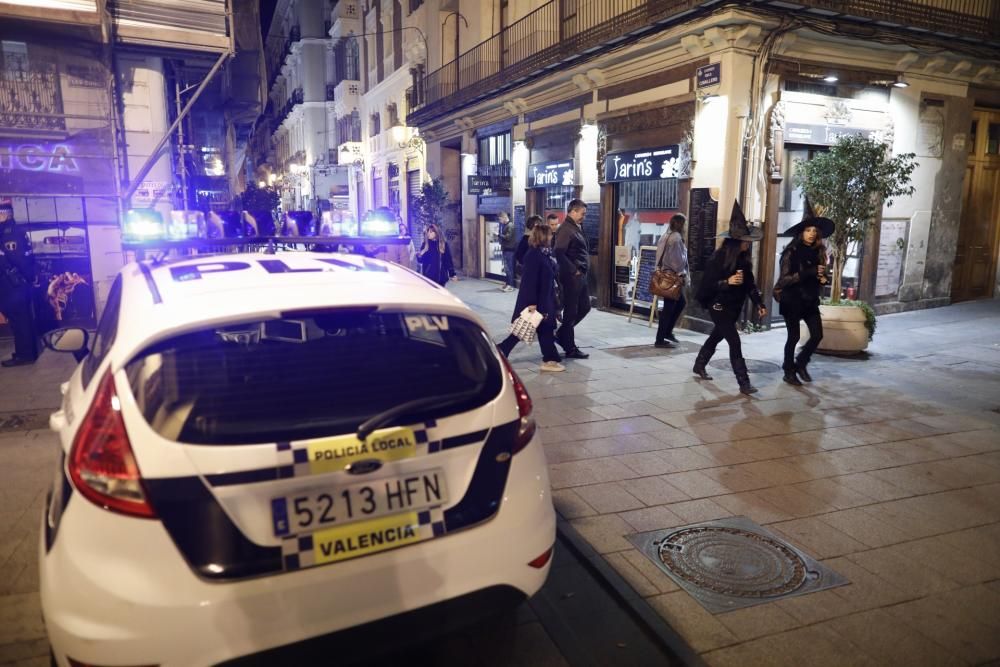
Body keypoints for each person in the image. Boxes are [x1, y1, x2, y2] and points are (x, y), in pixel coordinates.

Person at [693, 201, 767, 395]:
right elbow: (707, 286)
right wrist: (727, 281)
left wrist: (759, 303)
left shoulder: (744, 260)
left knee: (717, 336)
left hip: (734, 306)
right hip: (718, 305)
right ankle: (744, 383)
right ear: (736, 242)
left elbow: (750, 284)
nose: (747, 243)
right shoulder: (718, 259)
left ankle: (699, 364)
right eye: (744, 240)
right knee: (734, 341)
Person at [774, 200, 833, 385]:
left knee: (817, 335)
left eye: (815, 231)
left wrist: (823, 279)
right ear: (802, 232)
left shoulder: (819, 253)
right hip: (792, 299)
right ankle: (788, 370)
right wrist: (807, 273)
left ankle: (801, 363)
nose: (811, 234)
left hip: (809, 300)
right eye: (808, 230)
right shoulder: (790, 252)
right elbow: (784, 280)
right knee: (794, 337)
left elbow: (819, 275)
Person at [496, 217, 564, 372]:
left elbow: (551, 272)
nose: (552, 237)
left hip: (545, 298)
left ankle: (502, 350)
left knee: (535, 328)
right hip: (538, 301)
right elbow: (530, 281)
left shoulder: (544, 253)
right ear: (543, 237)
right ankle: (550, 360)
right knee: (535, 328)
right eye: (549, 235)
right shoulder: (534, 255)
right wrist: (532, 303)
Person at [0, 201, 38, 367]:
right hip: (15, 284)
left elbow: (20, 260)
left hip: (14, 284)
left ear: (4, 215)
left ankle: (25, 354)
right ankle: (25, 351)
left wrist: (28, 279)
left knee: (20, 320)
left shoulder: (9, 233)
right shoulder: (10, 231)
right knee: (19, 319)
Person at [554, 199, 591, 359]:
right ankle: (570, 347)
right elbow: (558, 251)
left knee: (585, 307)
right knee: (571, 312)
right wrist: (573, 270)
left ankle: (562, 335)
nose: (584, 216)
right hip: (572, 277)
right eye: (582, 213)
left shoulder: (575, 227)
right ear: (573, 211)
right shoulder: (566, 229)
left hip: (580, 276)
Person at [653, 213, 689, 349]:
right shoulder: (676, 238)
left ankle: (667, 332)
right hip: (672, 278)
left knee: (679, 303)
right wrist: (682, 274)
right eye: (685, 223)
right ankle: (660, 338)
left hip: (664, 275)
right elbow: (677, 261)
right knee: (669, 308)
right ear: (681, 224)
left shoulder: (665, 236)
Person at [498, 211, 517, 292]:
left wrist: (498, 235)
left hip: (509, 250)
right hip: (506, 249)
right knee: (506, 268)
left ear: (504, 217)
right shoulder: (505, 225)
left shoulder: (510, 225)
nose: (499, 221)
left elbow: (508, 237)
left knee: (509, 268)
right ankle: (507, 283)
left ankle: (511, 285)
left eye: (500, 219)